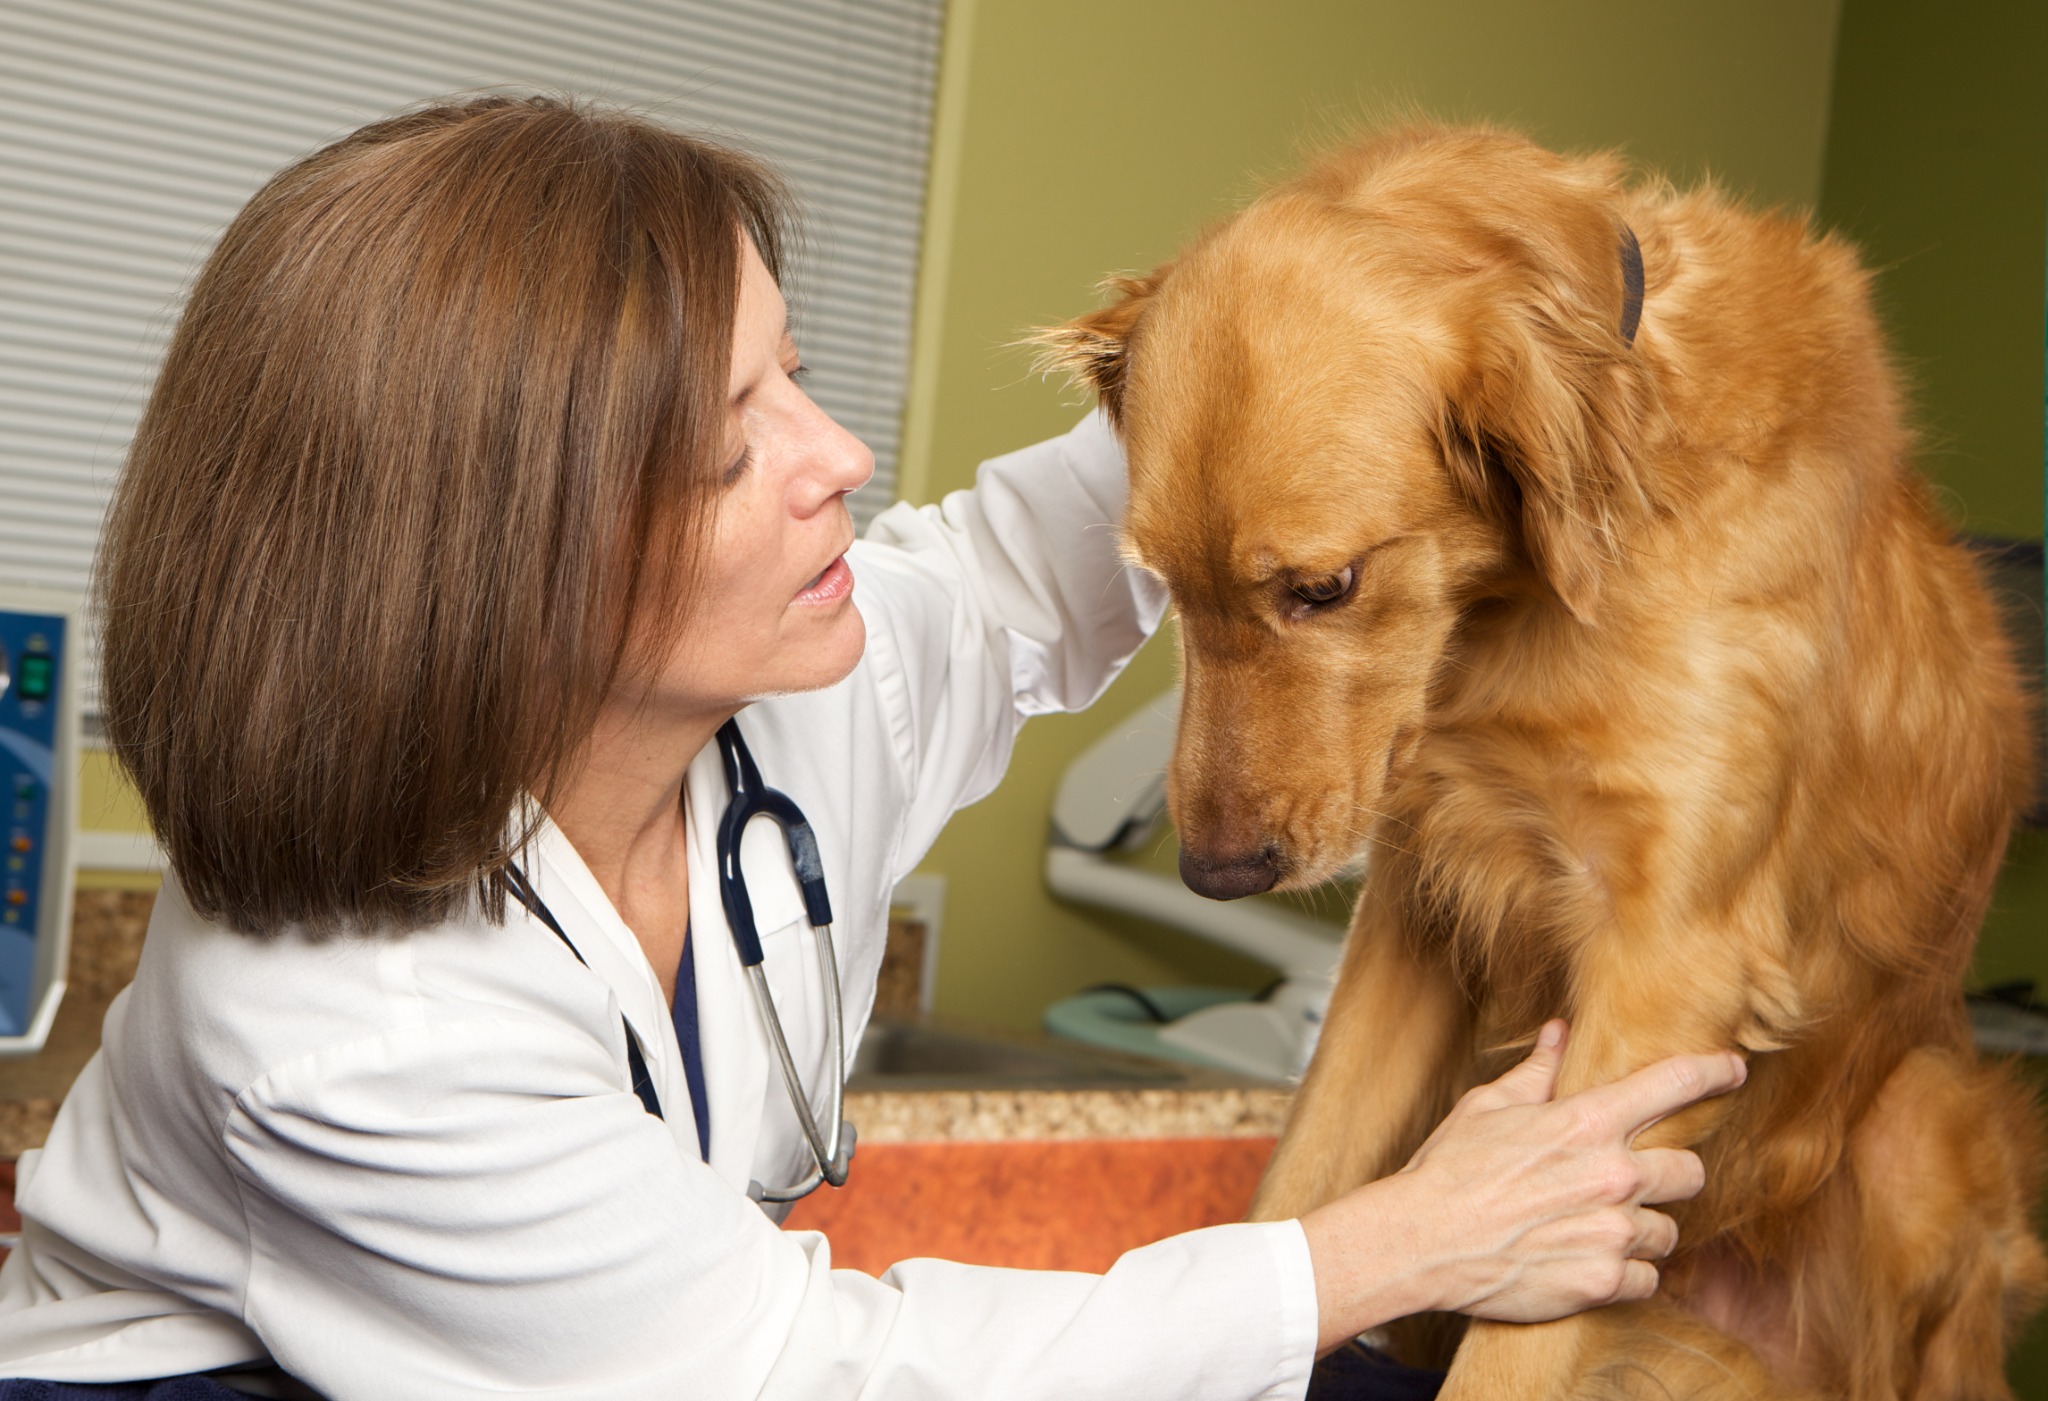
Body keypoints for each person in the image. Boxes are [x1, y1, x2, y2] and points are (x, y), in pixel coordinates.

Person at [0, 97, 1743, 1400]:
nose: (838, 452)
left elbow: (1019, 570)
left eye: (800, 374)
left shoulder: (783, 704)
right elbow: (787, 1373)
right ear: (504, 561)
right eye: (731, 441)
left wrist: (1417, 311)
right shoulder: (349, 1030)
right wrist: (1393, 1242)